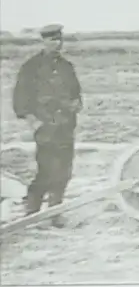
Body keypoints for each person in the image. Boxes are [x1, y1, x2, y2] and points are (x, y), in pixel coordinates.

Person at [12, 24, 82, 228]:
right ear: (43, 41)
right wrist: (33, 122)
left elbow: (76, 93)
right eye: (52, 40)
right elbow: (20, 98)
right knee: (46, 170)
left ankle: (55, 213)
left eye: (59, 40)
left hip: (65, 127)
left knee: (64, 171)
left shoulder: (66, 67)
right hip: (45, 128)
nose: (56, 44)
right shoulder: (31, 67)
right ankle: (32, 211)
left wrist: (75, 106)